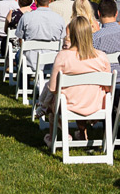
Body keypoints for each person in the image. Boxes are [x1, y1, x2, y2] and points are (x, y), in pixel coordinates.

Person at [40, 17, 111, 146]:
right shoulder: (102, 56)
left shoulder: (63, 56)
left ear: (71, 34)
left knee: (53, 98)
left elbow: (53, 88)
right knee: (83, 93)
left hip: (68, 105)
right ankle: (81, 132)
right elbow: (108, 88)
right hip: (95, 105)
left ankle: (53, 136)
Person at [14, 0, 67, 72]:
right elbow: (62, 39)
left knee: (18, 55)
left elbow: (20, 39)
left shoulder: (27, 17)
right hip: (52, 60)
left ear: (35, 1)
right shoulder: (59, 19)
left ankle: (22, 83)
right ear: (50, 0)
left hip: (30, 59)